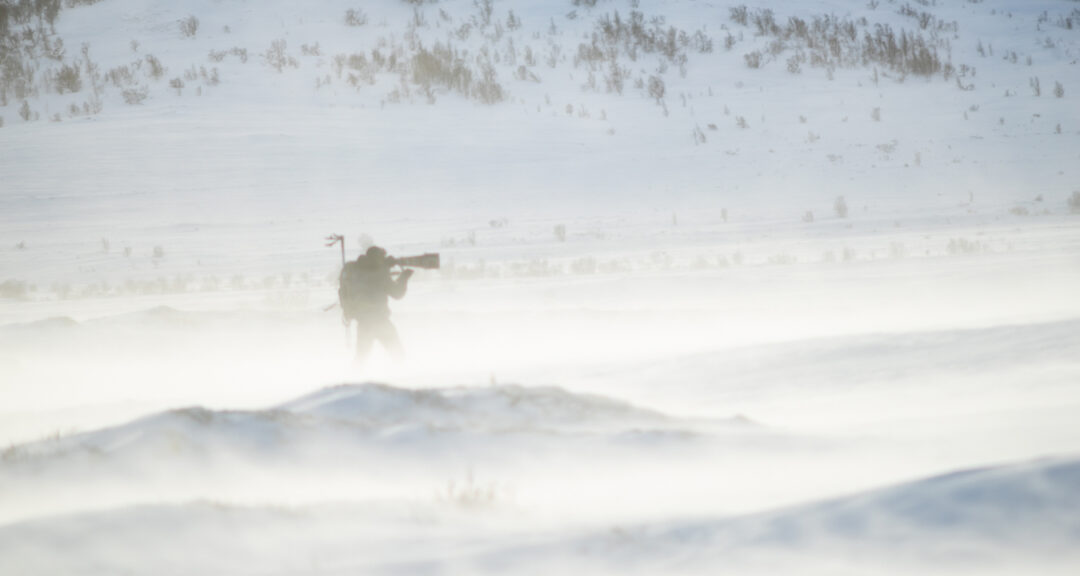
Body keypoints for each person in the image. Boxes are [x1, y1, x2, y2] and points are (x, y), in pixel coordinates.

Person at [338, 245, 414, 366]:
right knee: (398, 354)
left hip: (363, 322)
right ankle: (402, 377)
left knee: (361, 358)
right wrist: (404, 277)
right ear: (378, 258)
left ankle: (354, 381)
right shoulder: (380, 272)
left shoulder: (357, 270)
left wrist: (384, 267)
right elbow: (397, 293)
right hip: (380, 321)